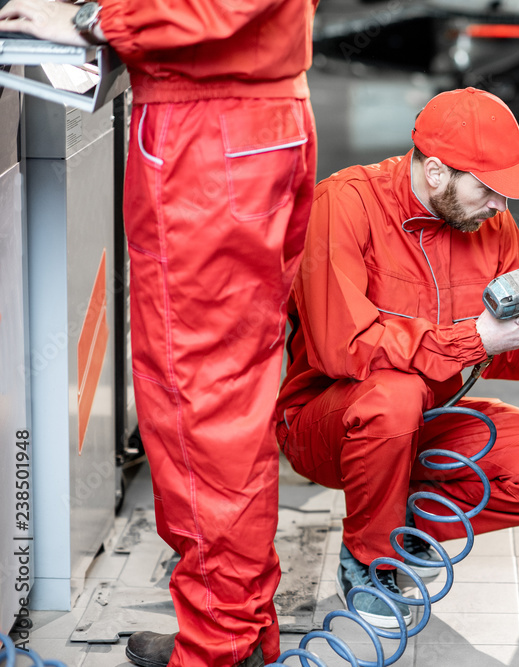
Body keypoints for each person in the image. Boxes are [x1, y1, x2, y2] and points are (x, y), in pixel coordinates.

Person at [0, 1, 319, 665]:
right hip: (239, 121)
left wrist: (97, 19)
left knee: (201, 399)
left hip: (211, 133)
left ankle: (216, 645)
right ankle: (237, 621)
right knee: (226, 392)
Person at [275, 87, 519, 629]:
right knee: (396, 394)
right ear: (436, 173)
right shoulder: (344, 204)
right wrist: (471, 340)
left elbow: (509, 361)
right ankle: (369, 555)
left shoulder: (490, 226)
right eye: (489, 190)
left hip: (427, 419)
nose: (502, 206)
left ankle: (404, 521)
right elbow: (344, 348)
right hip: (327, 422)